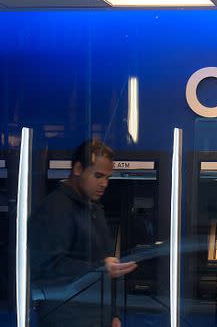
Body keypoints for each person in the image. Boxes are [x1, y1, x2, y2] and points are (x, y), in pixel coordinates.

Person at [30, 139, 137, 326]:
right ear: (78, 169)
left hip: (94, 317)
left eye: (108, 178)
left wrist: (113, 313)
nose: (104, 184)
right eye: (98, 176)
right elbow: (48, 266)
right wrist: (100, 268)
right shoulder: (55, 208)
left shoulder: (95, 210)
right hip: (65, 318)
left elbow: (104, 263)